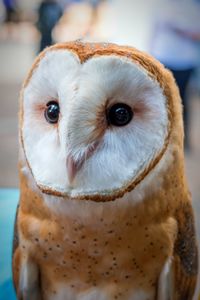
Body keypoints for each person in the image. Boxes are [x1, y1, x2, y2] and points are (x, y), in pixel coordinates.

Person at [150, 0, 200, 150]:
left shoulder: (194, 7)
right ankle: (161, 139)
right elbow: (154, 30)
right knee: (161, 100)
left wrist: (179, 30)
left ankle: (183, 140)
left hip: (184, 61)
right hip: (162, 57)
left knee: (182, 100)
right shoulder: (163, 4)